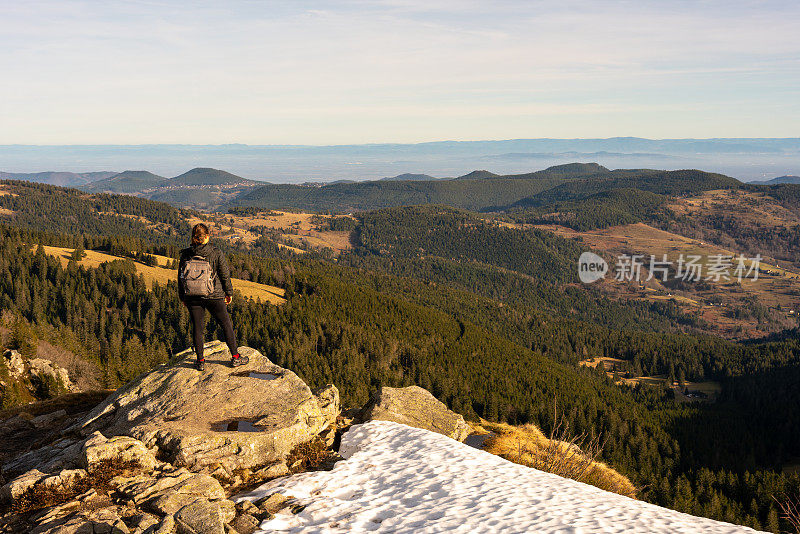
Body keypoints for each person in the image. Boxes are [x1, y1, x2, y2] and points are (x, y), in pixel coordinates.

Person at [178, 223, 248, 371]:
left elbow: (180, 277)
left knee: (198, 328)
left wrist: (183, 297)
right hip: (214, 295)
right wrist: (229, 293)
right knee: (226, 324)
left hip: (192, 296)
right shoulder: (215, 252)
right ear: (207, 236)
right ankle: (236, 357)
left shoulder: (186, 254)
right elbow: (224, 275)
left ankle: (200, 361)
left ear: (193, 237)